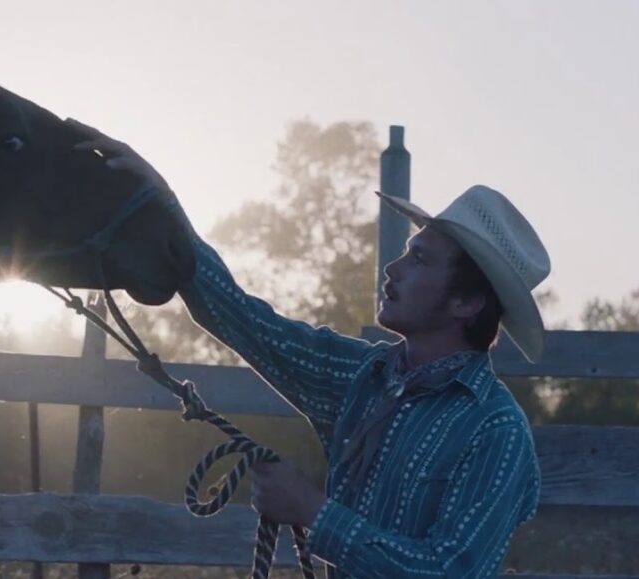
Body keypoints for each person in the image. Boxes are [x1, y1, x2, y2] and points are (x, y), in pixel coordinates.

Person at [68, 119, 549, 578]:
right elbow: (251, 325)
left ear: (467, 301)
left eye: (419, 259)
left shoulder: (496, 431)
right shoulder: (364, 378)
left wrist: (311, 512)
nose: (393, 269)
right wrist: (163, 206)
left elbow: (448, 572)